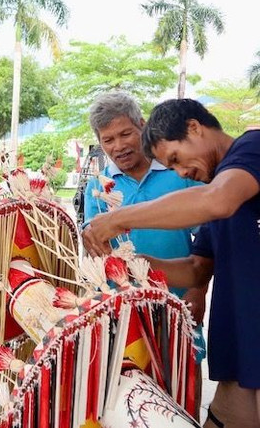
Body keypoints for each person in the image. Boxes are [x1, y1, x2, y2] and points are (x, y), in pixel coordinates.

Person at [84, 99, 260, 427]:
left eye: (176, 159)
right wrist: (130, 264)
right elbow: (196, 270)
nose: (182, 172)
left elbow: (217, 201)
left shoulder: (257, 147)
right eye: (171, 168)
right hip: (248, 354)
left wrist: (118, 219)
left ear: (194, 127)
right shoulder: (217, 190)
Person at [81, 92, 209, 415]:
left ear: (142, 125)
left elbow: (210, 235)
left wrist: (198, 289)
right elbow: (94, 244)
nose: (118, 146)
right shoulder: (98, 186)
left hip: (178, 305)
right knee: (128, 398)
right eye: (108, 140)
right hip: (122, 311)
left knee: (182, 385)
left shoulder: (178, 172)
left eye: (125, 133)